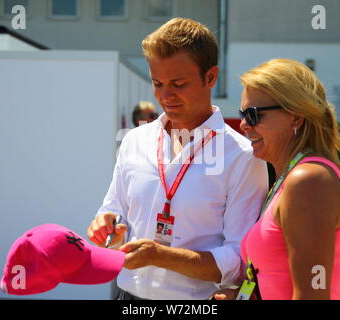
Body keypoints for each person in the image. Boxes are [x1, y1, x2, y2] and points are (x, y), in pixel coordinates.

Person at [87, 17, 268, 300]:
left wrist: (161, 256)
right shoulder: (135, 140)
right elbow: (113, 211)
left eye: (178, 84)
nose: (165, 95)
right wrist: (107, 226)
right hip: (127, 296)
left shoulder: (243, 156)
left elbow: (239, 260)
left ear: (210, 77)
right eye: (157, 83)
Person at [213, 58, 340, 300]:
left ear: (295, 118)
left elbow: (312, 295)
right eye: (242, 114)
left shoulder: (308, 181)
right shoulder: (289, 178)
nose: (244, 124)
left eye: (253, 114)